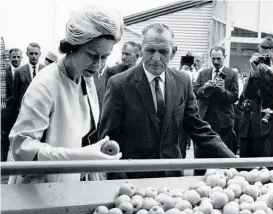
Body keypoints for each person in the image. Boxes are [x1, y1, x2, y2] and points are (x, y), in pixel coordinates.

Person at [99, 23, 236, 180]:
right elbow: (108, 140)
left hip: (172, 178)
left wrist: (236, 164)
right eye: (150, 50)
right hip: (132, 180)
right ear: (140, 49)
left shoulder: (182, 81)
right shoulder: (119, 84)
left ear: (173, 52)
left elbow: (198, 129)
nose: (156, 58)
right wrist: (119, 180)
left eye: (163, 51)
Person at [9, 5, 124, 184]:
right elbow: (21, 147)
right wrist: (80, 156)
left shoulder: (86, 77)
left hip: (73, 183)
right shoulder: (45, 84)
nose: (98, 65)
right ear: (72, 47)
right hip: (40, 190)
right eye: (92, 55)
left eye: (104, 57)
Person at [193, 46, 239, 175]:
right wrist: (204, 87)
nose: (216, 62)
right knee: (201, 154)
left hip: (223, 121)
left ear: (224, 57)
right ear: (210, 58)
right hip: (205, 119)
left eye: (219, 58)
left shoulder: (232, 74)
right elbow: (195, 92)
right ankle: (199, 178)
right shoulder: (203, 73)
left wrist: (222, 90)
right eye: (213, 59)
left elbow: (234, 97)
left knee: (223, 154)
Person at [245, 37, 273, 157]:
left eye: (268, 57)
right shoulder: (258, 69)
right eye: (262, 57)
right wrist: (253, 71)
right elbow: (247, 94)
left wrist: (271, 73)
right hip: (260, 122)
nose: (265, 60)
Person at [239, 53, 265, 159]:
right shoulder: (251, 77)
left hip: (261, 126)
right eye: (253, 63)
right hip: (246, 125)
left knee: (259, 161)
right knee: (244, 162)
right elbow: (244, 95)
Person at [1, 48, 22, 161]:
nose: (16, 59)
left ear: (22, 57)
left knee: (19, 139)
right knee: (4, 139)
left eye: (18, 57)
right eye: (14, 56)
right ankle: (3, 165)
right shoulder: (4, 72)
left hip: (20, 112)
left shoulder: (24, 71)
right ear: (10, 57)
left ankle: (18, 166)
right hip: (7, 112)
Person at [13, 43, 45, 119]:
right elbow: (16, 95)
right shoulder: (19, 71)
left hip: (41, 111)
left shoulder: (45, 70)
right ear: (27, 54)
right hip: (24, 112)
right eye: (31, 53)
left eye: (36, 53)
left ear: (40, 54)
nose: (34, 56)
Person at [232, 67, 244, 154]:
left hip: (238, 106)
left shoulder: (240, 82)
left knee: (238, 126)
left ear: (239, 74)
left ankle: (238, 147)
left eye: (235, 73)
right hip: (231, 106)